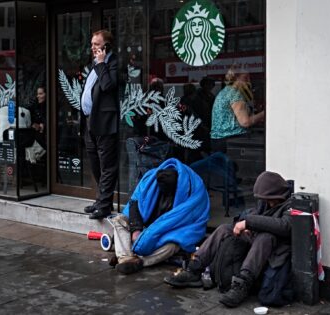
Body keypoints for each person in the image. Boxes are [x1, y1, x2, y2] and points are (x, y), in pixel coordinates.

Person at [164, 171, 292, 308]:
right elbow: (254, 213)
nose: (268, 203)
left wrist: (249, 222)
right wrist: (245, 224)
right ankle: (193, 269)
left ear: (278, 194)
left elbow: (285, 226)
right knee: (224, 229)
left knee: (265, 237)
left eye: (270, 200)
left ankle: (241, 285)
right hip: (255, 236)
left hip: (274, 246)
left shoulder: (291, 204)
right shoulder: (266, 201)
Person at [110, 158, 210, 275]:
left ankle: (140, 261)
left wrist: (154, 233)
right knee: (119, 220)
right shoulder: (150, 180)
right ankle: (126, 258)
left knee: (173, 245)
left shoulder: (193, 188)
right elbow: (134, 203)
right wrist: (136, 229)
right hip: (145, 227)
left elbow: (190, 221)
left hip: (171, 231)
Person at [81, 30, 119, 220]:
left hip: (105, 122)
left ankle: (104, 206)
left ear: (107, 46)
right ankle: (101, 200)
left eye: (97, 44)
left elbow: (108, 86)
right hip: (91, 121)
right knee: (95, 163)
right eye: (92, 44)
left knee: (107, 165)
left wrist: (102, 63)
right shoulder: (95, 64)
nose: (93, 47)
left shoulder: (112, 63)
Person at [210, 65, 265, 153]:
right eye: (245, 78)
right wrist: (264, 113)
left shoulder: (225, 91)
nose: (248, 81)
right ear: (235, 78)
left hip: (220, 140)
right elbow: (245, 122)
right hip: (230, 140)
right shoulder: (235, 93)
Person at [28, 85, 47, 150]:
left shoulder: (49, 107)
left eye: (41, 94)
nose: (38, 96)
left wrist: (43, 125)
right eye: (37, 94)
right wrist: (33, 124)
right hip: (37, 142)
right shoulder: (35, 106)